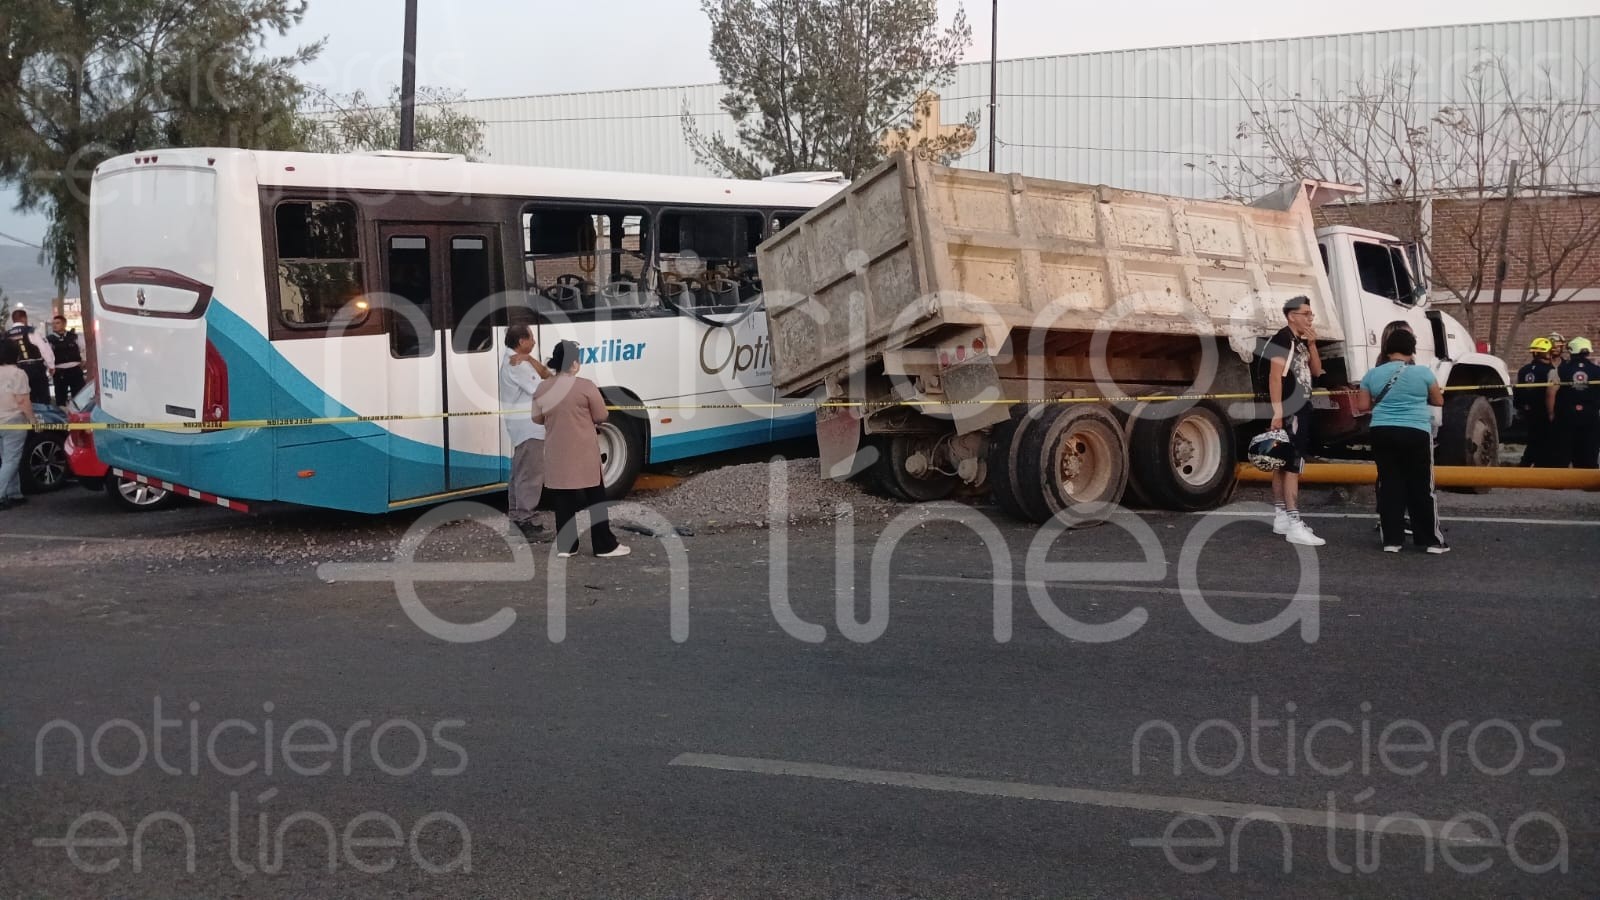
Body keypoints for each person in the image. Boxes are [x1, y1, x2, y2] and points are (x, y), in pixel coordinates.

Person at [532, 340, 629, 559]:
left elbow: (537, 418)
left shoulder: (543, 388)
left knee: (563, 498)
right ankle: (604, 545)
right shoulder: (585, 386)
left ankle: (567, 546)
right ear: (574, 363)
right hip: (584, 451)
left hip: (557, 451)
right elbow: (601, 415)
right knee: (595, 496)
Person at [1358, 329, 1448, 553]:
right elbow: (1438, 401)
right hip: (1416, 430)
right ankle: (1430, 541)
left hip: (1382, 430)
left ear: (1387, 350)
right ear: (1412, 349)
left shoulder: (1371, 375)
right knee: (1422, 486)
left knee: (1389, 484)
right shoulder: (1423, 373)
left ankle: (1392, 540)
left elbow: (1362, 406)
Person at [1262, 295, 1326, 546]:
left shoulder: (1300, 341)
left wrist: (1312, 345)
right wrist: (1278, 412)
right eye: (1306, 313)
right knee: (1292, 465)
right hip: (1291, 409)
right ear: (1292, 316)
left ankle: (1281, 515)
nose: (1311, 318)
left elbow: (1317, 371)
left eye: (1312, 314)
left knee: (1282, 461)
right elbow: (1274, 377)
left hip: (1300, 406)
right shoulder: (1282, 339)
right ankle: (1293, 520)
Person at [499, 324, 555, 540]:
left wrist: (530, 359)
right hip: (529, 426)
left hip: (521, 426)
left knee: (519, 473)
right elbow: (545, 385)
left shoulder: (518, 360)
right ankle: (526, 521)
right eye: (531, 338)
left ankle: (516, 518)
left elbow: (544, 375)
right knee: (530, 475)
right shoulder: (517, 366)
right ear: (521, 341)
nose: (534, 342)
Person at [0, 338, 41, 509]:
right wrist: (33, 421)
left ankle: (14, 493)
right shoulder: (18, 374)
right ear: (16, 354)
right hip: (14, 420)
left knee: (6, 459)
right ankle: (2, 493)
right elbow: (23, 401)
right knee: (12, 460)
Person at [1549, 336, 1599, 469]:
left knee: (1563, 450)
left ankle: (1561, 481)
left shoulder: (1559, 370)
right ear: (1588, 352)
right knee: (1589, 448)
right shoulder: (1597, 370)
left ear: (1571, 351)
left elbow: (1551, 391)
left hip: (1565, 415)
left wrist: (1551, 412)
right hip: (1591, 416)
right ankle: (1588, 481)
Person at [1516, 337, 1559, 467]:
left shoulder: (1523, 370)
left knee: (1533, 439)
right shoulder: (1550, 371)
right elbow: (1550, 393)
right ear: (1546, 353)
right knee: (1544, 440)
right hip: (1543, 411)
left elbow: (1519, 391)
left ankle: (1526, 464)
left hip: (1527, 411)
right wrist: (1552, 412)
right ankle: (1539, 465)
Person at [5, 307, 54, 405]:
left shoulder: (6, 335)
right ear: (24, 319)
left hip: (17, 370)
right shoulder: (31, 331)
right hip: (35, 368)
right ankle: (43, 417)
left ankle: (28, 417)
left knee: (24, 398)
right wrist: (51, 365)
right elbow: (44, 349)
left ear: (13, 319)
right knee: (42, 397)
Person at [47, 315, 86, 406]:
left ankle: (79, 417)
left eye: (57, 323)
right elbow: (47, 355)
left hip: (75, 370)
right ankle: (62, 418)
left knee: (79, 396)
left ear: (64, 324)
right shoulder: (49, 340)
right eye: (53, 324)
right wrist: (50, 367)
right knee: (60, 398)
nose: (55, 325)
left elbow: (84, 348)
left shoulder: (74, 337)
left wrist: (84, 360)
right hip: (59, 372)